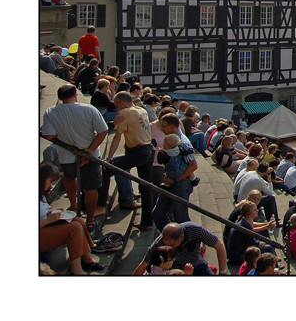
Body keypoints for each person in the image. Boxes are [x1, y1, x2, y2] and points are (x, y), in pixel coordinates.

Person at [41, 84, 109, 228]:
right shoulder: (89, 109)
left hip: (66, 154)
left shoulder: (50, 112)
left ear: (60, 98)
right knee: (91, 187)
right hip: (90, 154)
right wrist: (89, 150)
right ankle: (90, 219)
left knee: (69, 177)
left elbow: (49, 135)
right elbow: (103, 131)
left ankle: (73, 205)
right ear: (75, 94)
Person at [103, 91, 156, 230]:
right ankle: (147, 222)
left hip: (137, 151)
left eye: (116, 104)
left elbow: (117, 137)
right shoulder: (141, 109)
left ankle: (100, 205)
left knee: (106, 169)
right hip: (148, 149)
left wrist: (108, 158)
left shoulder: (125, 112)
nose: (116, 108)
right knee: (146, 186)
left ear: (122, 102)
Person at [39, 162, 104, 275]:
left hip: (44, 226)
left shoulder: (41, 194)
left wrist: (52, 213)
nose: (52, 185)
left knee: (78, 220)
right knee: (74, 228)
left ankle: (86, 257)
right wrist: (49, 220)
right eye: (50, 181)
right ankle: (77, 268)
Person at [150, 112, 199, 230]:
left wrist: (176, 180)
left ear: (172, 126)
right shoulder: (171, 140)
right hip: (171, 182)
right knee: (158, 213)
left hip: (181, 184)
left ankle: (187, 243)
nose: (162, 129)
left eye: (164, 126)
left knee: (181, 217)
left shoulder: (183, 143)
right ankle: (171, 238)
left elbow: (193, 165)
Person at [134, 222, 228, 275]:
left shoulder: (195, 230)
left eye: (172, 245)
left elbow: (219, 245)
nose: (170, 248)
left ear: (182, 237)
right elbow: (142, 266)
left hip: (197, 264)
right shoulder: (159, 244)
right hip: (174, 271)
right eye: (167, 244)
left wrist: (223, 272)